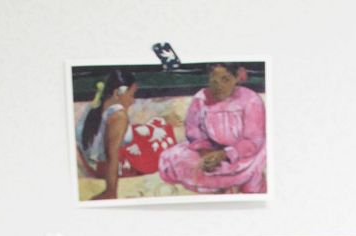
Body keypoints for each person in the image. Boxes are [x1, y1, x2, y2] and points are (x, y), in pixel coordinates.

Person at [157, 63, 266, 194]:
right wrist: (205, 152)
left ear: (236, 77)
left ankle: (232, 185)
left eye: (225, 80)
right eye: (214, 81)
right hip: (212, 148)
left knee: (242, 169)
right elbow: (193, 129)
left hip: (243, 152)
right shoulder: (201, 98)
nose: (219, 86)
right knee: (174, 159)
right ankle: (222, 185)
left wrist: (224, 155)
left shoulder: (251, 99)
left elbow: (253, 141)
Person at [77, 69, 175, 200]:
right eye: (131, 95)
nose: (133, 101)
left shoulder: (96, 107)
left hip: (94, 164)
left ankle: (162, 123)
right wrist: (110, 191)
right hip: (108, 167)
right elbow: (111, 155)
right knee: (163, 135)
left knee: (149, 128)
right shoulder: (119, 115)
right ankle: (163, 124)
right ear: (117, 93)